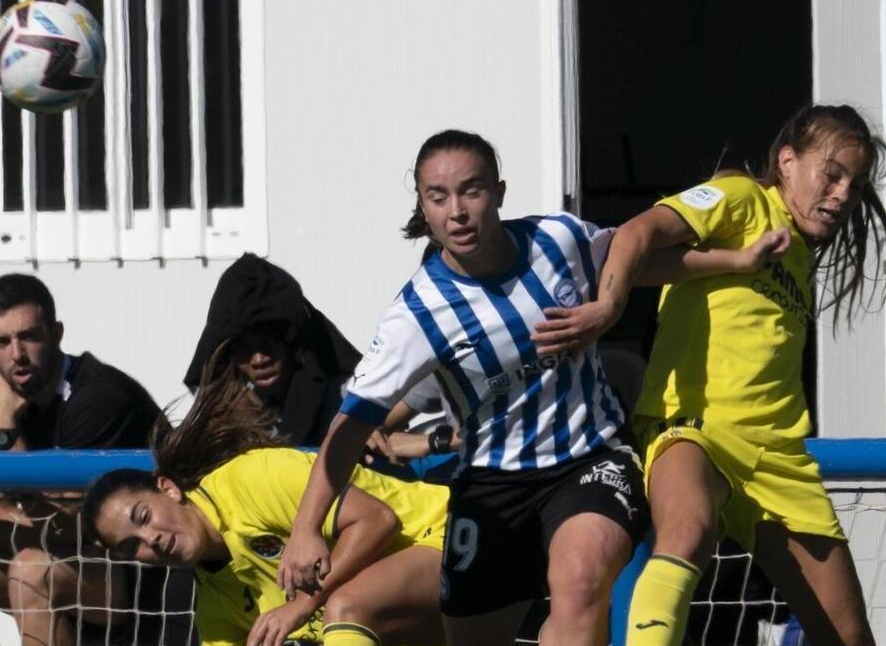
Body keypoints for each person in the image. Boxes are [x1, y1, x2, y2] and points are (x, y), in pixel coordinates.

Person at [532, 104, 886, 645]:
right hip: (694, 427)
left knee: (849, 637)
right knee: (687, 532)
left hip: (778, 453)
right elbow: (636, 232)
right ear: (788, 161)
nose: (843, 194)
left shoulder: (795, 254)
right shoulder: (742, 197)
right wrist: (608, 309)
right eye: (832, 173)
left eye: (855, 181)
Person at [280, 129, 654, 645]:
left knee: (580, 581)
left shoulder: (558, 239)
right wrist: (306, 529)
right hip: (491, 487)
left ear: (499, 193)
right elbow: (351, 425)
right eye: (439, 197)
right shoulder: (415, 316)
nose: (457, 211)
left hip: (590, 457)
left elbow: (639, 254)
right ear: (424, 207)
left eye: (471, 190)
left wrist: (730, 263)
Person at [82, 381, 448, 646]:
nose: (152, 540)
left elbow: (378, 521)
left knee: (346, 608)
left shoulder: (250, 479)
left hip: (445, 533)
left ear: (168, 489)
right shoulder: (215, 608)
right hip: (411, 613)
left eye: (143, 517)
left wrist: (302, 606)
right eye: (132, 546)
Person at [0, 273, 166, 646]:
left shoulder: (98, 398)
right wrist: (41, 505)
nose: (17, 355)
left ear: (56, 333)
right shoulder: (13, 404)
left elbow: (73, 521)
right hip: (78, 569)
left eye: (29, 336)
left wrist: (4, 435)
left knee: (30, 569)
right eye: (1, 342)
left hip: (149, 575)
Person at [183, 253, 362, 446]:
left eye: (269, 341)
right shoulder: (228, 406)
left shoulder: (347, 398)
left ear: (293, 340)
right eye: (244, 348)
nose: (259, 360)